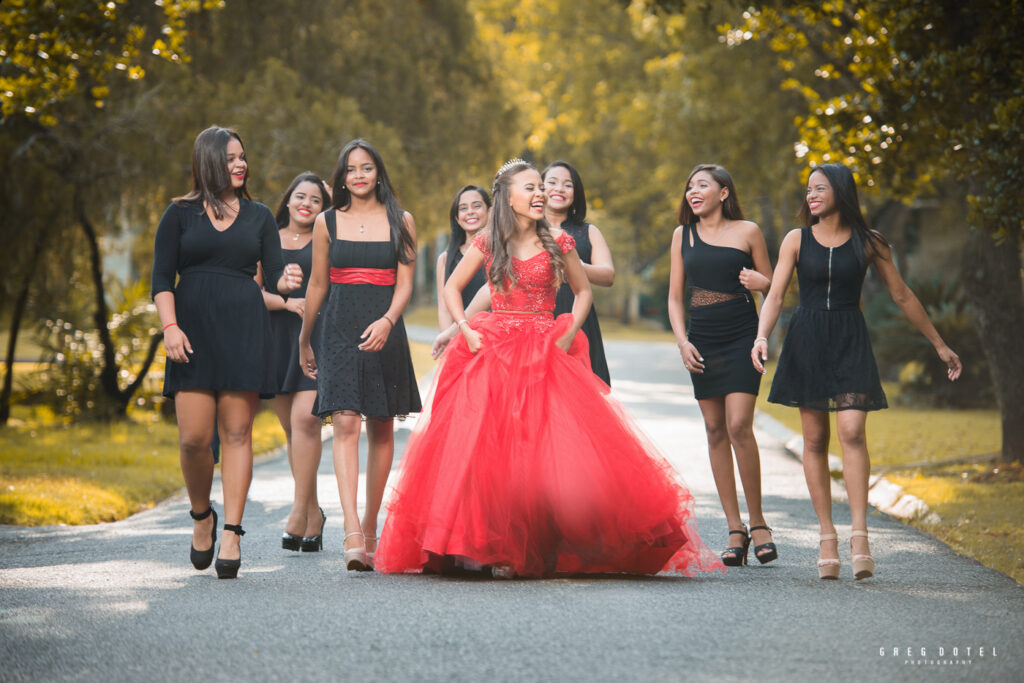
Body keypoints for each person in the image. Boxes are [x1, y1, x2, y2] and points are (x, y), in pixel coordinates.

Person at [375, 159, 724, 579]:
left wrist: (570, 330)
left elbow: (582, 292)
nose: (540, 194)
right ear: (507, 197)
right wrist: (462, 329)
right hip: (494, 348)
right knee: (486, 450)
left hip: (544, 347)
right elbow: (452, 286)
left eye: (542, 187)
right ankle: (482, 545)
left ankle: (542, 540)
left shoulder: (560, 241)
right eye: (530, 187)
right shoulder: (489, 241)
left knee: (544, 452)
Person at [752, 163, 962, 580]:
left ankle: (860, 536)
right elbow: (775, 294)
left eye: (820, 188)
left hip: (850, 338)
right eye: (808, 189)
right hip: (807, 338)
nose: (810, 195)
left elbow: (901, 294)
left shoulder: (870, 242)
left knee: (851, 431)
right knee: (814, 437)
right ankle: (827, 537)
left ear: (841, 192)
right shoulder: (796, 240)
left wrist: (940, 344)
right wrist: (761, 337)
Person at [153, 125, 302, 579]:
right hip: (192, 333)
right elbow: (161, 280)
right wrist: (170, 327)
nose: (241, 164)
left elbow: (274, 273)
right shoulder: (179, 215)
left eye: (243, 156)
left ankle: (233, 533)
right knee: (194, 439)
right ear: (209, 161)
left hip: (243, 330)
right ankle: (203, 517)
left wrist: (287, 281)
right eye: (231, 157)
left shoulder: (258, 216)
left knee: (237, 433)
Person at [298, 139, 421, 572]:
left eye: (366, 168)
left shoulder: (401, 220)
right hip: (337, 327)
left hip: (384, 326)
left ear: (378, 173)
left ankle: (371, 525)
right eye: (351, 169)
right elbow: (316, 284)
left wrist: (388, 321)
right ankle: (352, 530)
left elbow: (405, 284)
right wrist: (304, 337)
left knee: (382, 425)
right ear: (342, 177)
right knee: (346, 421)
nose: (359, 176)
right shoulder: (327, 221)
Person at [667, 164, 776, 567]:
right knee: (714, 430)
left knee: (738, 425)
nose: (693, 192)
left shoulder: (748, 231)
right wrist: (682, 342)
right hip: (703, 340)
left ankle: (760, 523)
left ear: (723, 192)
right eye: (689, 186)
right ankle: (735, 529)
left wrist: (763, 288)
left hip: (742, 336)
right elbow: (675, 298)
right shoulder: (683, 235)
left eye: (702, 185)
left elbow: (774, 288)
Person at [259, 172, 330, 552]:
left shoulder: (326, 237)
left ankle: (298, 511)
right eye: (300, 196)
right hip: (275, 339)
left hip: (316, 338)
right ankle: (314, 512)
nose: (306, 203)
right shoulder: (266, 237)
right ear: (288, 200)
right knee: (292, 431)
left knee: (307, 421)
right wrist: (286, 300)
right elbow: (251, 290)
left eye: (316, 199)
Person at [543, 161, 613, 384]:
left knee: (582, 393)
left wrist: (575, 267)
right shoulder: (526, 229)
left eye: (567, 185)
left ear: (576, 193)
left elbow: (608, 275)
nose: (559, 189)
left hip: (577, 316)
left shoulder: (588, 231)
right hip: (538, 316)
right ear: (539, 189)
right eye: (552, 182)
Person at [435, 185, 491, 330]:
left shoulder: (502, 254)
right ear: (457, 217)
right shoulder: (445, 260)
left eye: (477, 206)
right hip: (460, 336)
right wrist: (448, 345)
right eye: (463, 208)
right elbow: (444, 310)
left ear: (489, 211)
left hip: (495, 337)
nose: (470, 212)